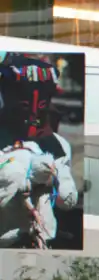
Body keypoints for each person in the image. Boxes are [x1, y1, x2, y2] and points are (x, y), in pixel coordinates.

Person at [0, 55, 79, 249]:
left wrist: (59, 184)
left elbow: (65, 200)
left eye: (41, 106)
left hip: (40, 243)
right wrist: (26, 177)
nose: (32, 116)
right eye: (24, 107)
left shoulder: (57, 145)